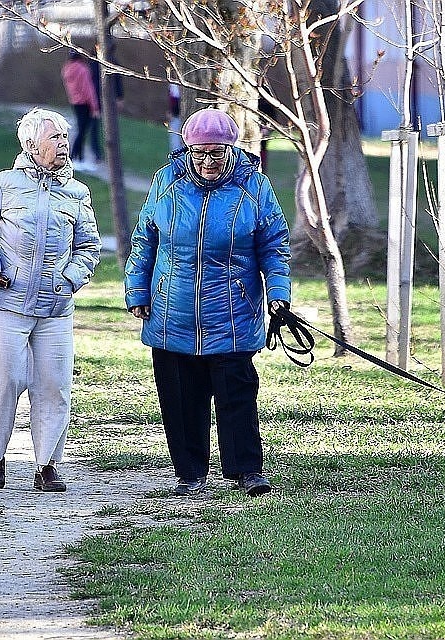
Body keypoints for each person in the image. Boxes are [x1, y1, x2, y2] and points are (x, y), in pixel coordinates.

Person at [124, 108, 291, 497]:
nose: (206, 162)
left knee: (237, 393)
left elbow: (274, 245)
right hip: (172, 308)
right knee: (180, 396)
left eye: (216, 153)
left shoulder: (254, 186)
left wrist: (279, 294)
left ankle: (246, 470)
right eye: (198, 153)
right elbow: (144, 238)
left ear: (231, 148)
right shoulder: (166, 181)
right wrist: (137, 289)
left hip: (232, 309)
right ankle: (189, 472)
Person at [0, 107, 102, 493]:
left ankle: (47, 465)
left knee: (54, 385)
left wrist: (70, 278)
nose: (63, 144)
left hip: (56, 310)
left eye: (64, 137)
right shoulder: (6, 184)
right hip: (9, 304)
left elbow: (89, 246)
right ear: (31, 145)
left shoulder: (77, 192)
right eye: (54, 138)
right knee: (5, 382)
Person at [61, 50, 101, 168]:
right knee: (82, 130)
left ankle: (78, 156)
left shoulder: (66, 69)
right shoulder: (83, 69)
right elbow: (88, 89)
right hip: (85, 103)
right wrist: (95, 106)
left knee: (80, 129)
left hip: (75, 102)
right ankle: (75, 155)